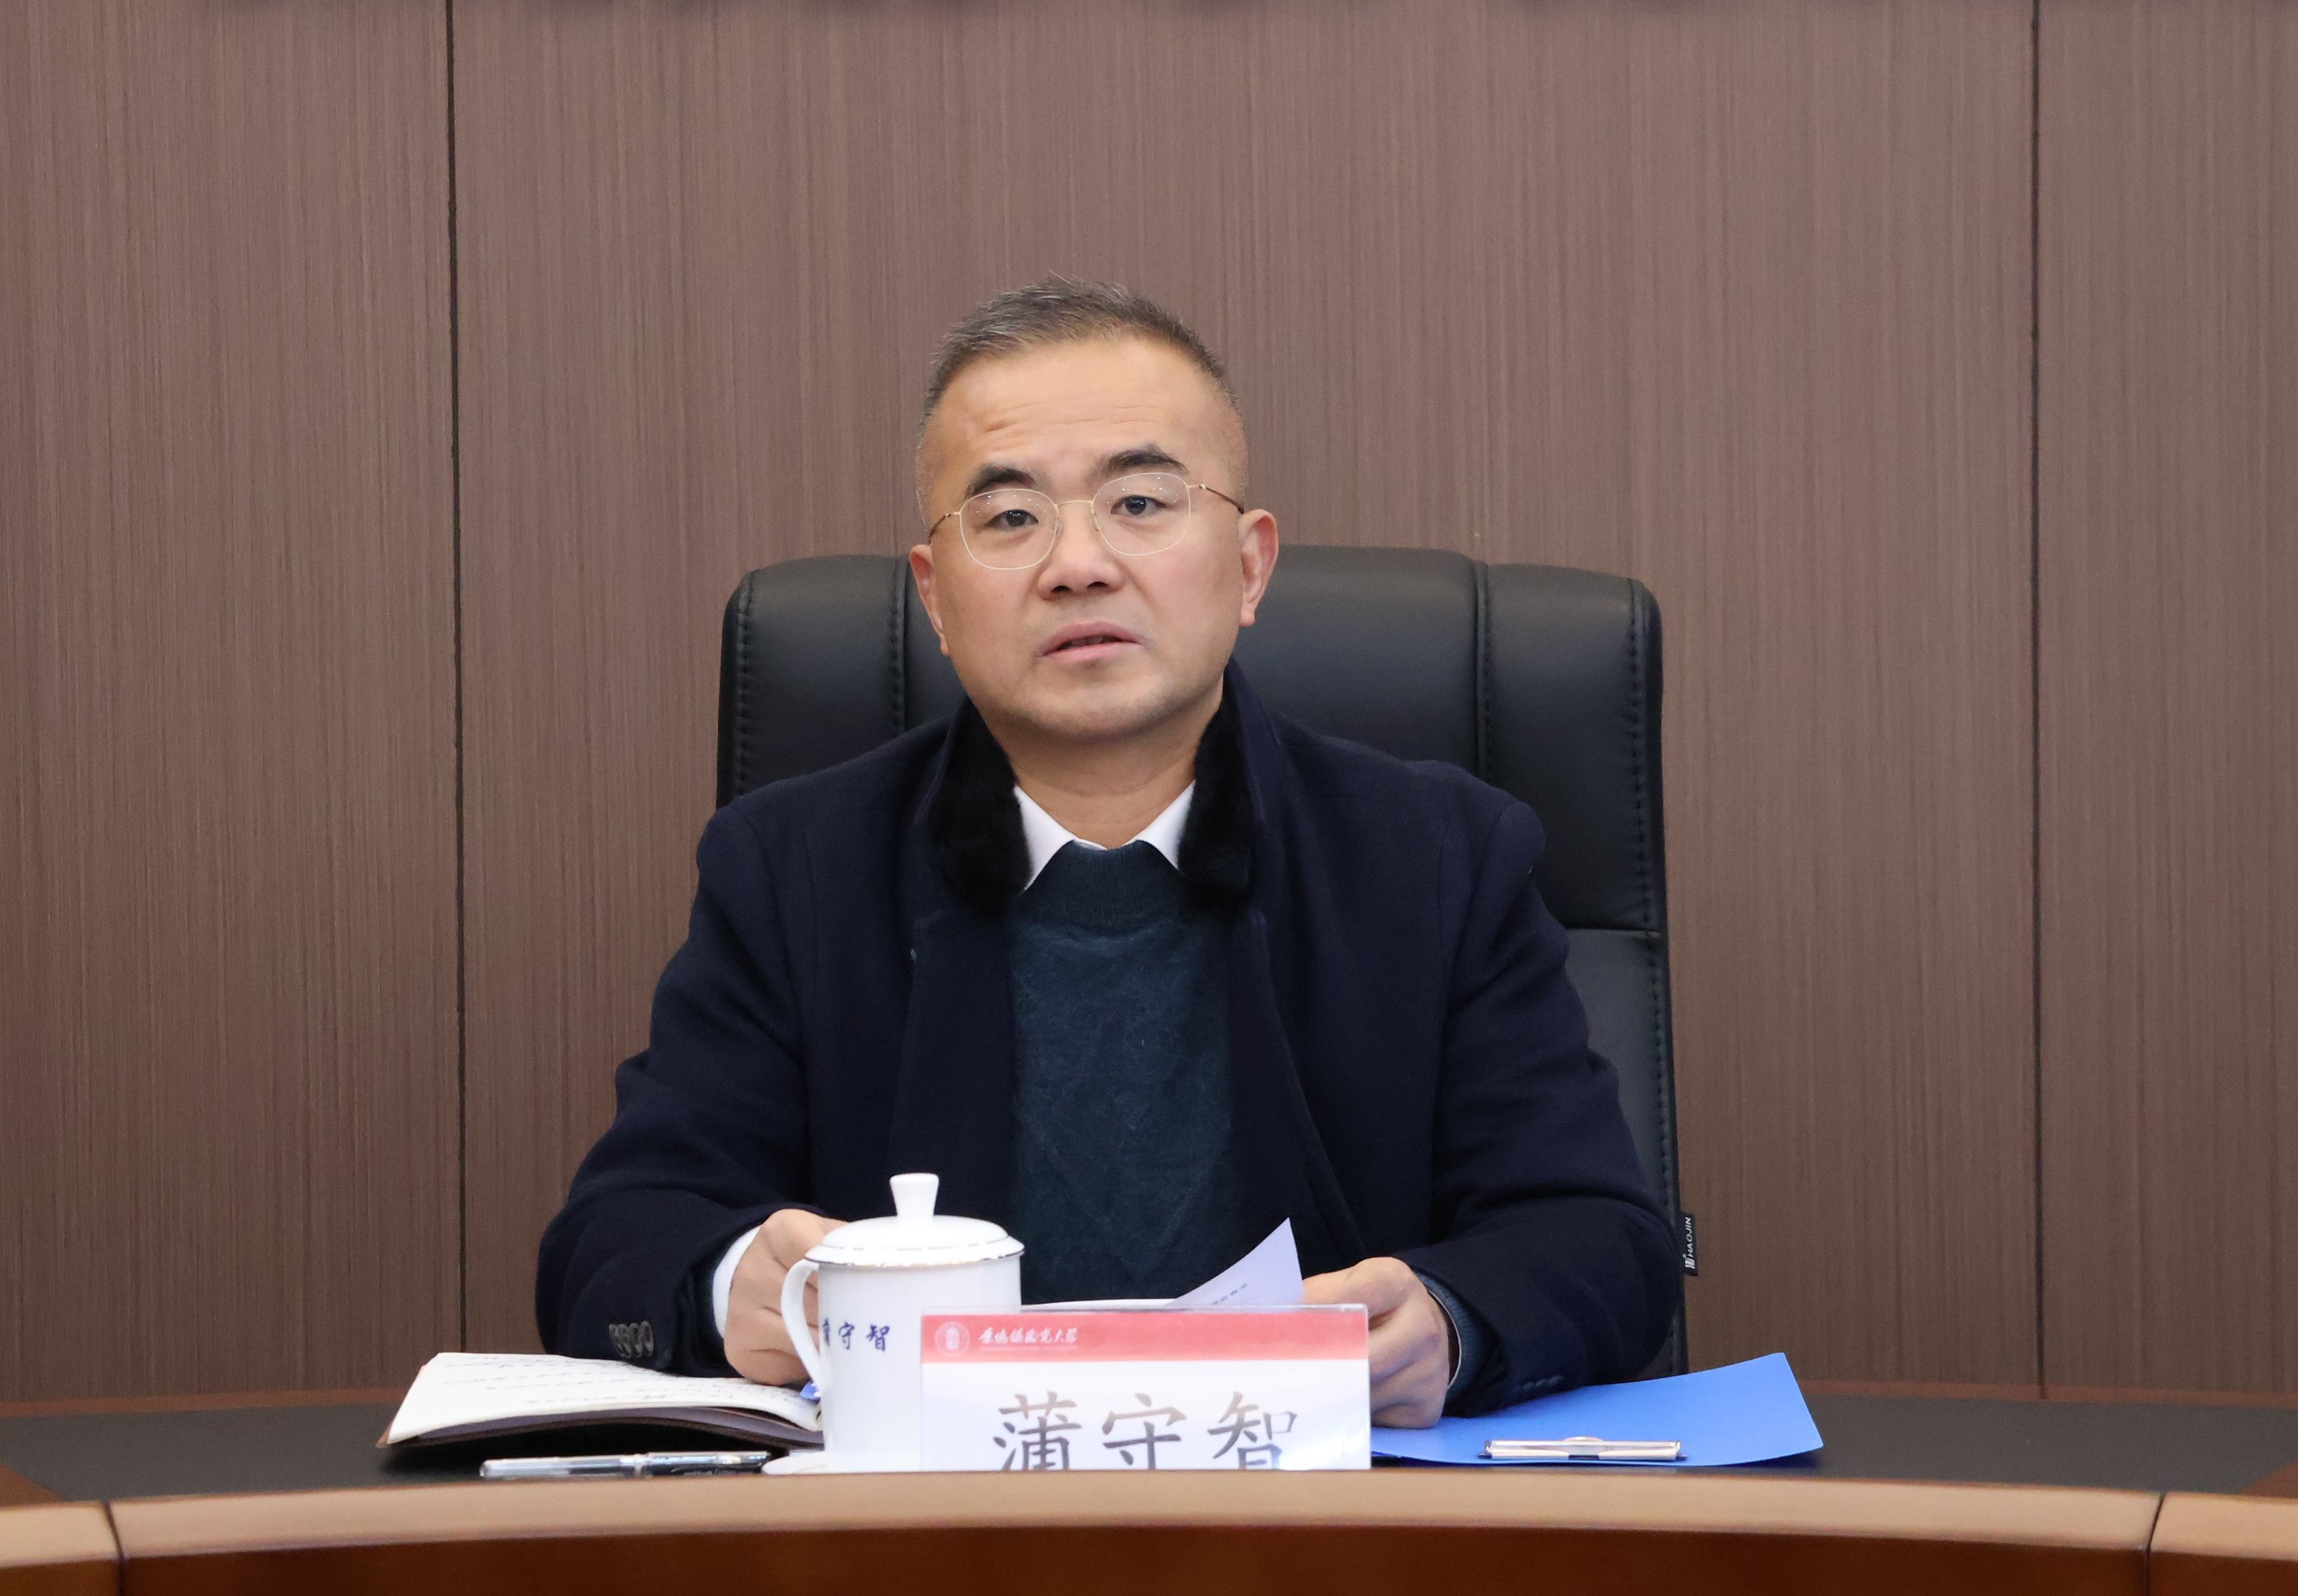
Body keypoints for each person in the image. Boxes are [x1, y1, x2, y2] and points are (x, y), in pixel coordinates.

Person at [537, 278, 1677, 1425]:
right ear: (935, 599)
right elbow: (613, 1244)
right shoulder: (795, 872)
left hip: (1318, 1511)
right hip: (932, 1519)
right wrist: (732, 1283)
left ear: (1250, 566)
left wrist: (1451, 1319)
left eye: (1139, 502)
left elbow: (1599, 1240)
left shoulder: (1437, 861)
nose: (1077, 564)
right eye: (1010, 518)